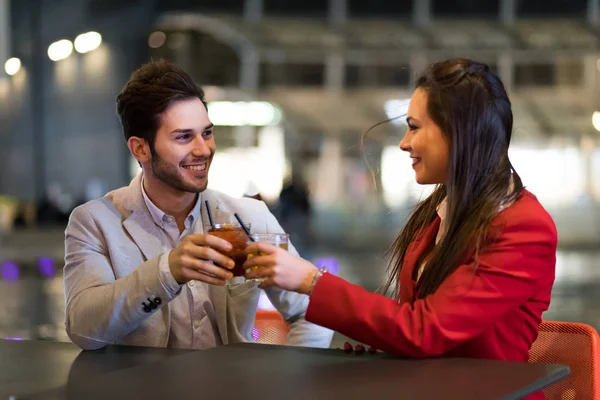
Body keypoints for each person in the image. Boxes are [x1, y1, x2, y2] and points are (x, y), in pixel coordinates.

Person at [243, 59, 557, 371]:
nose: (404, 143)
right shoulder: (440, 211)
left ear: (458, 131)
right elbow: (416, 327)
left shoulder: (524, 228)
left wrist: (312, 280)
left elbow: (425, 330)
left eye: (414, 127)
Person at [63, 60, 332, 351]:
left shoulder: (248, 218)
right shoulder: (94, 223)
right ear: (140, 148)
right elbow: (83, 329)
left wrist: (287, 382)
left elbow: (310, 311)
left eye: (206, 132)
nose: (203, 149)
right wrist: (167, 272)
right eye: (183, 137)